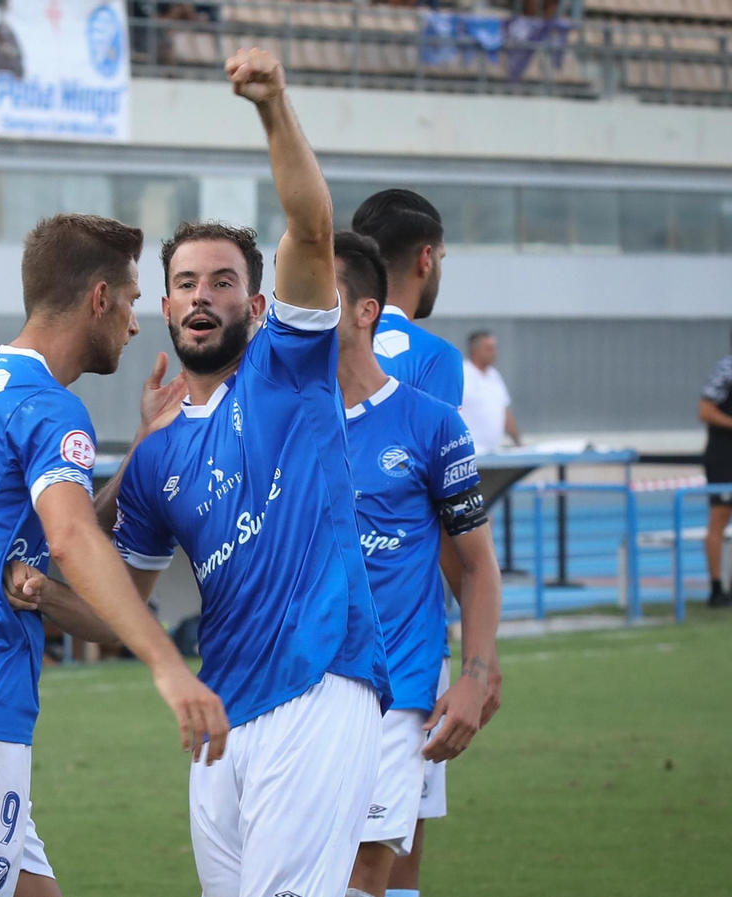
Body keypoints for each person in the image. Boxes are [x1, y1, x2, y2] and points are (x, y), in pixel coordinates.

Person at [0, 211, 225, 897]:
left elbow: (42, 531)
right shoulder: (48, 407)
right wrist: (168, 664)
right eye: (129, 301)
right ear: (98, 297)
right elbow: (70, 538)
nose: (133, 323)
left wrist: (143, 447)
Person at [100, 49, 388, 897]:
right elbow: (119, 603)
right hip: (221, 714)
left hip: (321, 680)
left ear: (257, 306)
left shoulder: (288, 368)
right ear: (164, 306)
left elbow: (310, 227)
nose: (202, 296)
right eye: (185, 282)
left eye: (223, 282)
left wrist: (271, 107)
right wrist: (31, 589)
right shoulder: (156, 457)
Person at [330, 232, 504, 897]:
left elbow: (476, 561)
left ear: (362, 309)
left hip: (399, 688)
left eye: (318, 296)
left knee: (369, 871)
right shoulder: (277, 419)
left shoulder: (431, 422)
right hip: (294, 692)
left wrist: (477, 671)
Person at [351, 187, 466, 897]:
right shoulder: (433, 358)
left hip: (312, 636)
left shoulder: (307, 347)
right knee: (396, 851)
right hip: (406, 637)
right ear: (426, 258)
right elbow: (448, 511)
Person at [351, 189, 464, 409]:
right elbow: (438, 443)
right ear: (426, 260)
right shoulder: (436, 356)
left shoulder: (322, 341)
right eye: (440, 258)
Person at [699, 330, 732, 608]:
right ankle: (716, 588)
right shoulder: (726, 369)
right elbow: (705, 411)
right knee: (719, 519)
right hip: (725, 456)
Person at [460, 331, 521, 453]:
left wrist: (518, 442)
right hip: (469, 453)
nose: (494, 353)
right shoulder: (461, 374)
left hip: (493, 452)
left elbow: (504, 411)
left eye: (494, 349)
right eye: (489, 349)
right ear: (475, 350)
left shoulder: (494, 375)